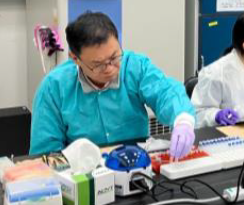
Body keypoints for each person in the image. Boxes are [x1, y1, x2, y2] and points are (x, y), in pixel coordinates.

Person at [29, 12, 196, 160]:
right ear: (75, 58)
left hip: (136, 165)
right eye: (98, 64)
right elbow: (45, 154)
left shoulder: (135, 67)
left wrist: (183, 121)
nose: (109, 68)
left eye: (114, 57)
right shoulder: (53, 87)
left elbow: (166, 92)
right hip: (83, 173)